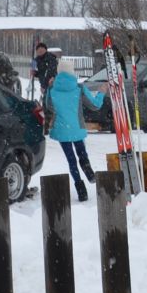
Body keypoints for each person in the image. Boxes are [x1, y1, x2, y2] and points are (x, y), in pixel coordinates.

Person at [46, 67, 102, 203]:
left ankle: (81, 190)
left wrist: (49, 88)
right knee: (81, 152)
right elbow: (95, 105)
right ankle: (89, 173)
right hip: (76, 127)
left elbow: (49, 106)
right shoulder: (79, 88)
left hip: (61, 129)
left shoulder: (52, 88)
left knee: (71, 160)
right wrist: (101, 92)